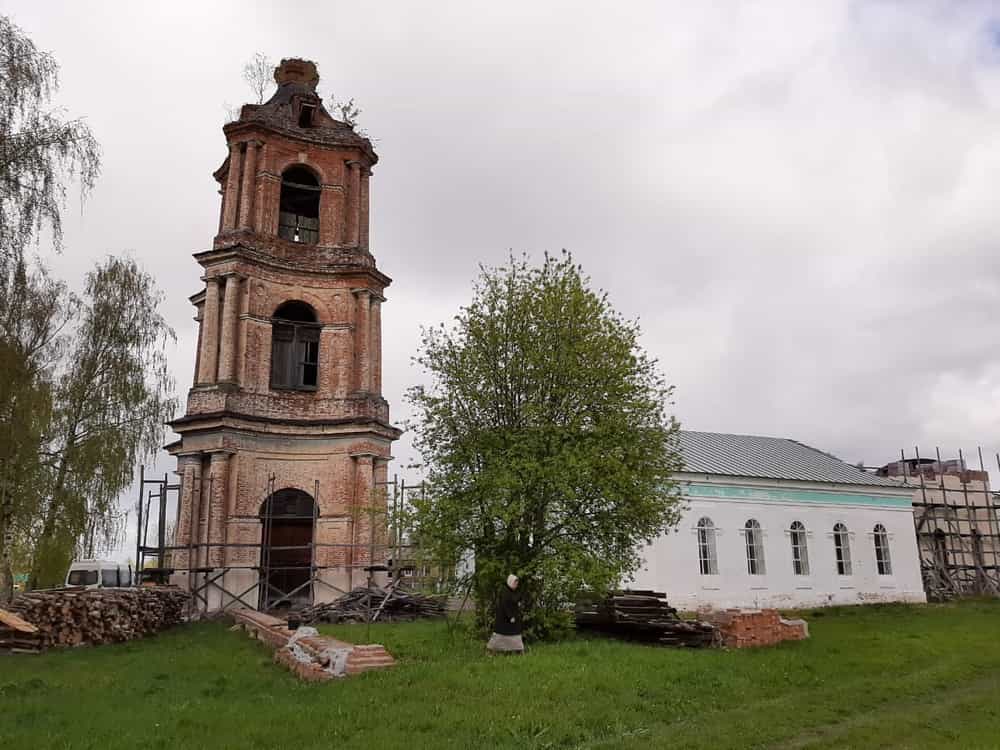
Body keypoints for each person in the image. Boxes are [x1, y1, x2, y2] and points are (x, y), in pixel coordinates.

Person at [487, 573, 524, 654]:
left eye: (517, 583)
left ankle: (519, 650)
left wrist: (518, 603)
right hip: (504, 619)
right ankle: (492, 651)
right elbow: (505, 605)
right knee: (499, 636)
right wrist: (510, 616)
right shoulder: (505, 592)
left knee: (516, 635)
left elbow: (515, 600)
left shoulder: (513, 591)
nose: (516, 585)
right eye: (515, 583)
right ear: (510, 582)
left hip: (513, 619)